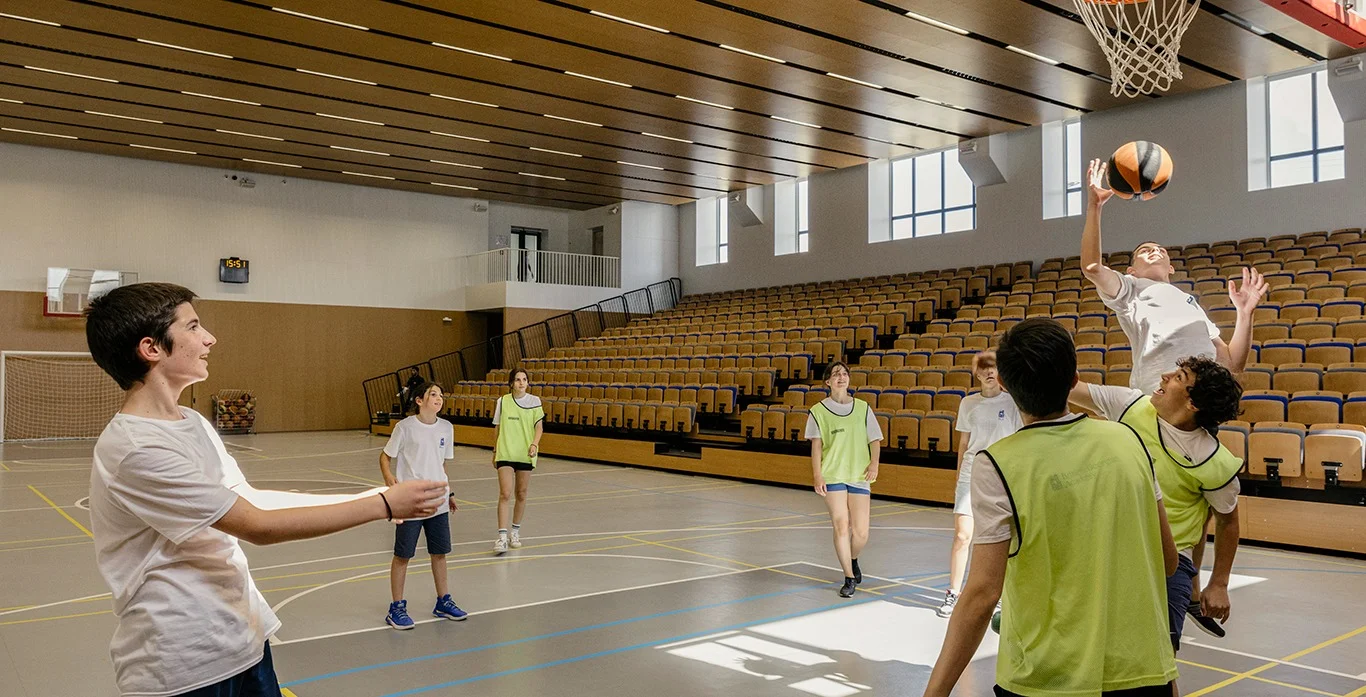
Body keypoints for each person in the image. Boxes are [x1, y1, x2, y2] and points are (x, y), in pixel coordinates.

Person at [84, 283, 446, 697]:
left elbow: (249, 497)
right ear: (151, 348)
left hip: (243, 641)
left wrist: (369, 498)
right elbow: (256, 525)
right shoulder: (136, 448)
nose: (209, 338)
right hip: (184, 664)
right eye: (193, 327)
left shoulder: (192, 422)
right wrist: (383, 505)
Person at [923, 318, 1179, 697]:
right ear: (1074, 378)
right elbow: (1168, 561)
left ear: (1005, 384)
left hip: (1046, 678)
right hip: (1143, 670)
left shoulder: (997, 463)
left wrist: (935, 693)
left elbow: (982, 595)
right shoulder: (1129, 440)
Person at [1070, 356, 1244, 657]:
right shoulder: (1130, 405)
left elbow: (1228, 521)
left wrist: (1219, 583)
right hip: (1108, 554)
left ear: (1192, 404)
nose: (1165, 376)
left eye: (1178, 377)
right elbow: (1070, 389)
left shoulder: (1214, 462)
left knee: (1159, 661)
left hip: (1168, 566)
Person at [1081, 158, 1266, 394]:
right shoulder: (1130, 288)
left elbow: (1232, 364)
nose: (1155, 251)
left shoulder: (1190, 303)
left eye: (1161, 250)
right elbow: (1092, 267)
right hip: (1159, 395)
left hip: (1202, 398)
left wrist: (1245, 314)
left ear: (1171, 268)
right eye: (1145, 250)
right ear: (1131, 271)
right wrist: (1094, 206)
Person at [937, 351, 1022, 618]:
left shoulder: (1012, 402)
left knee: (1001, 539)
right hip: (971, 474)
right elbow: (964, 443)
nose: (988, 372)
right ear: (976, 374)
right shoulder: (968, 403)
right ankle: (953, 592)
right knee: (963, 536)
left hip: (1002, 476)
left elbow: (1020, 439)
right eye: (983, 368)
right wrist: (959, 477)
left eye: (992, 367)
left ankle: (1001, 597)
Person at [380, 380, 466, 629]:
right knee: (403, 555)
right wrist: (389, 478)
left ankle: (443, 601)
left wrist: (449, 492)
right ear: (419, 401)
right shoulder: (405, 427)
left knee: (439, 553)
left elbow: (441, 465)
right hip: (410, 502)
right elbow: (385, 456)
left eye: (441, 394)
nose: (439, 398)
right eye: (433, 394)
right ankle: (396, 607)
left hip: (438, 500)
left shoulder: (447, 428)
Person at [805, 361, 882, 598]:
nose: (841, 377)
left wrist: (874, 463)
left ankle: (853, 558)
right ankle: (848, 576)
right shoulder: (818, 411)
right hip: (833, 474)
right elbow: (816, 447)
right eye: (836, 374)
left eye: (845, 373)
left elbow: (875, 440)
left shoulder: (863, 408)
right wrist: (817, 475)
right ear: (828, 381)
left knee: (861, 533)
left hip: (859, 474)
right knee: (841, 525)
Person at [490, 367, 544, 555]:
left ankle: (515, 532)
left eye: (524, 379)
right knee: (505, 493)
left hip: (525, 453)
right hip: (505, 452)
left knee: (521, 493)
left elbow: (539, 427)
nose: (521, 383)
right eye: (518, 379)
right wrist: (495, 450)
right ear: (511, 383)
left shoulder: (535, 401)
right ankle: (502, 537)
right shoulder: (502, 401)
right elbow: (497, 427)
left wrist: (534, 444)